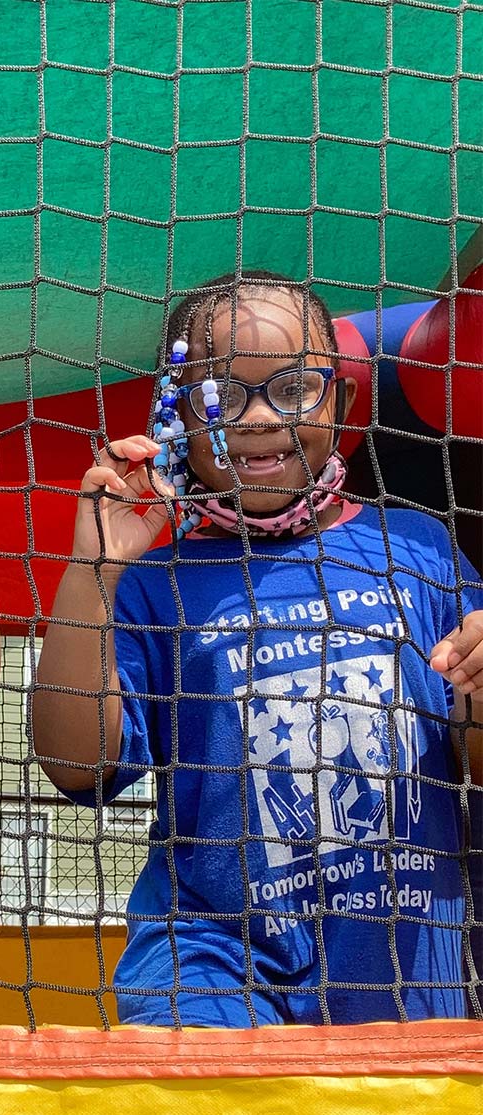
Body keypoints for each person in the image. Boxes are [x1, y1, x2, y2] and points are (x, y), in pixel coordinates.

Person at [33, 270, 482, 1027]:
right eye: (221, 396)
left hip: (401, 960)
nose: (256, 419)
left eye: (292, 388)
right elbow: (76, 766)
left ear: (338, 398)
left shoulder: (416, 549)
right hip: (209, 959)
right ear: (175, 414)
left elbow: (472, 760)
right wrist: (93, 577)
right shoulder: (157, 581)